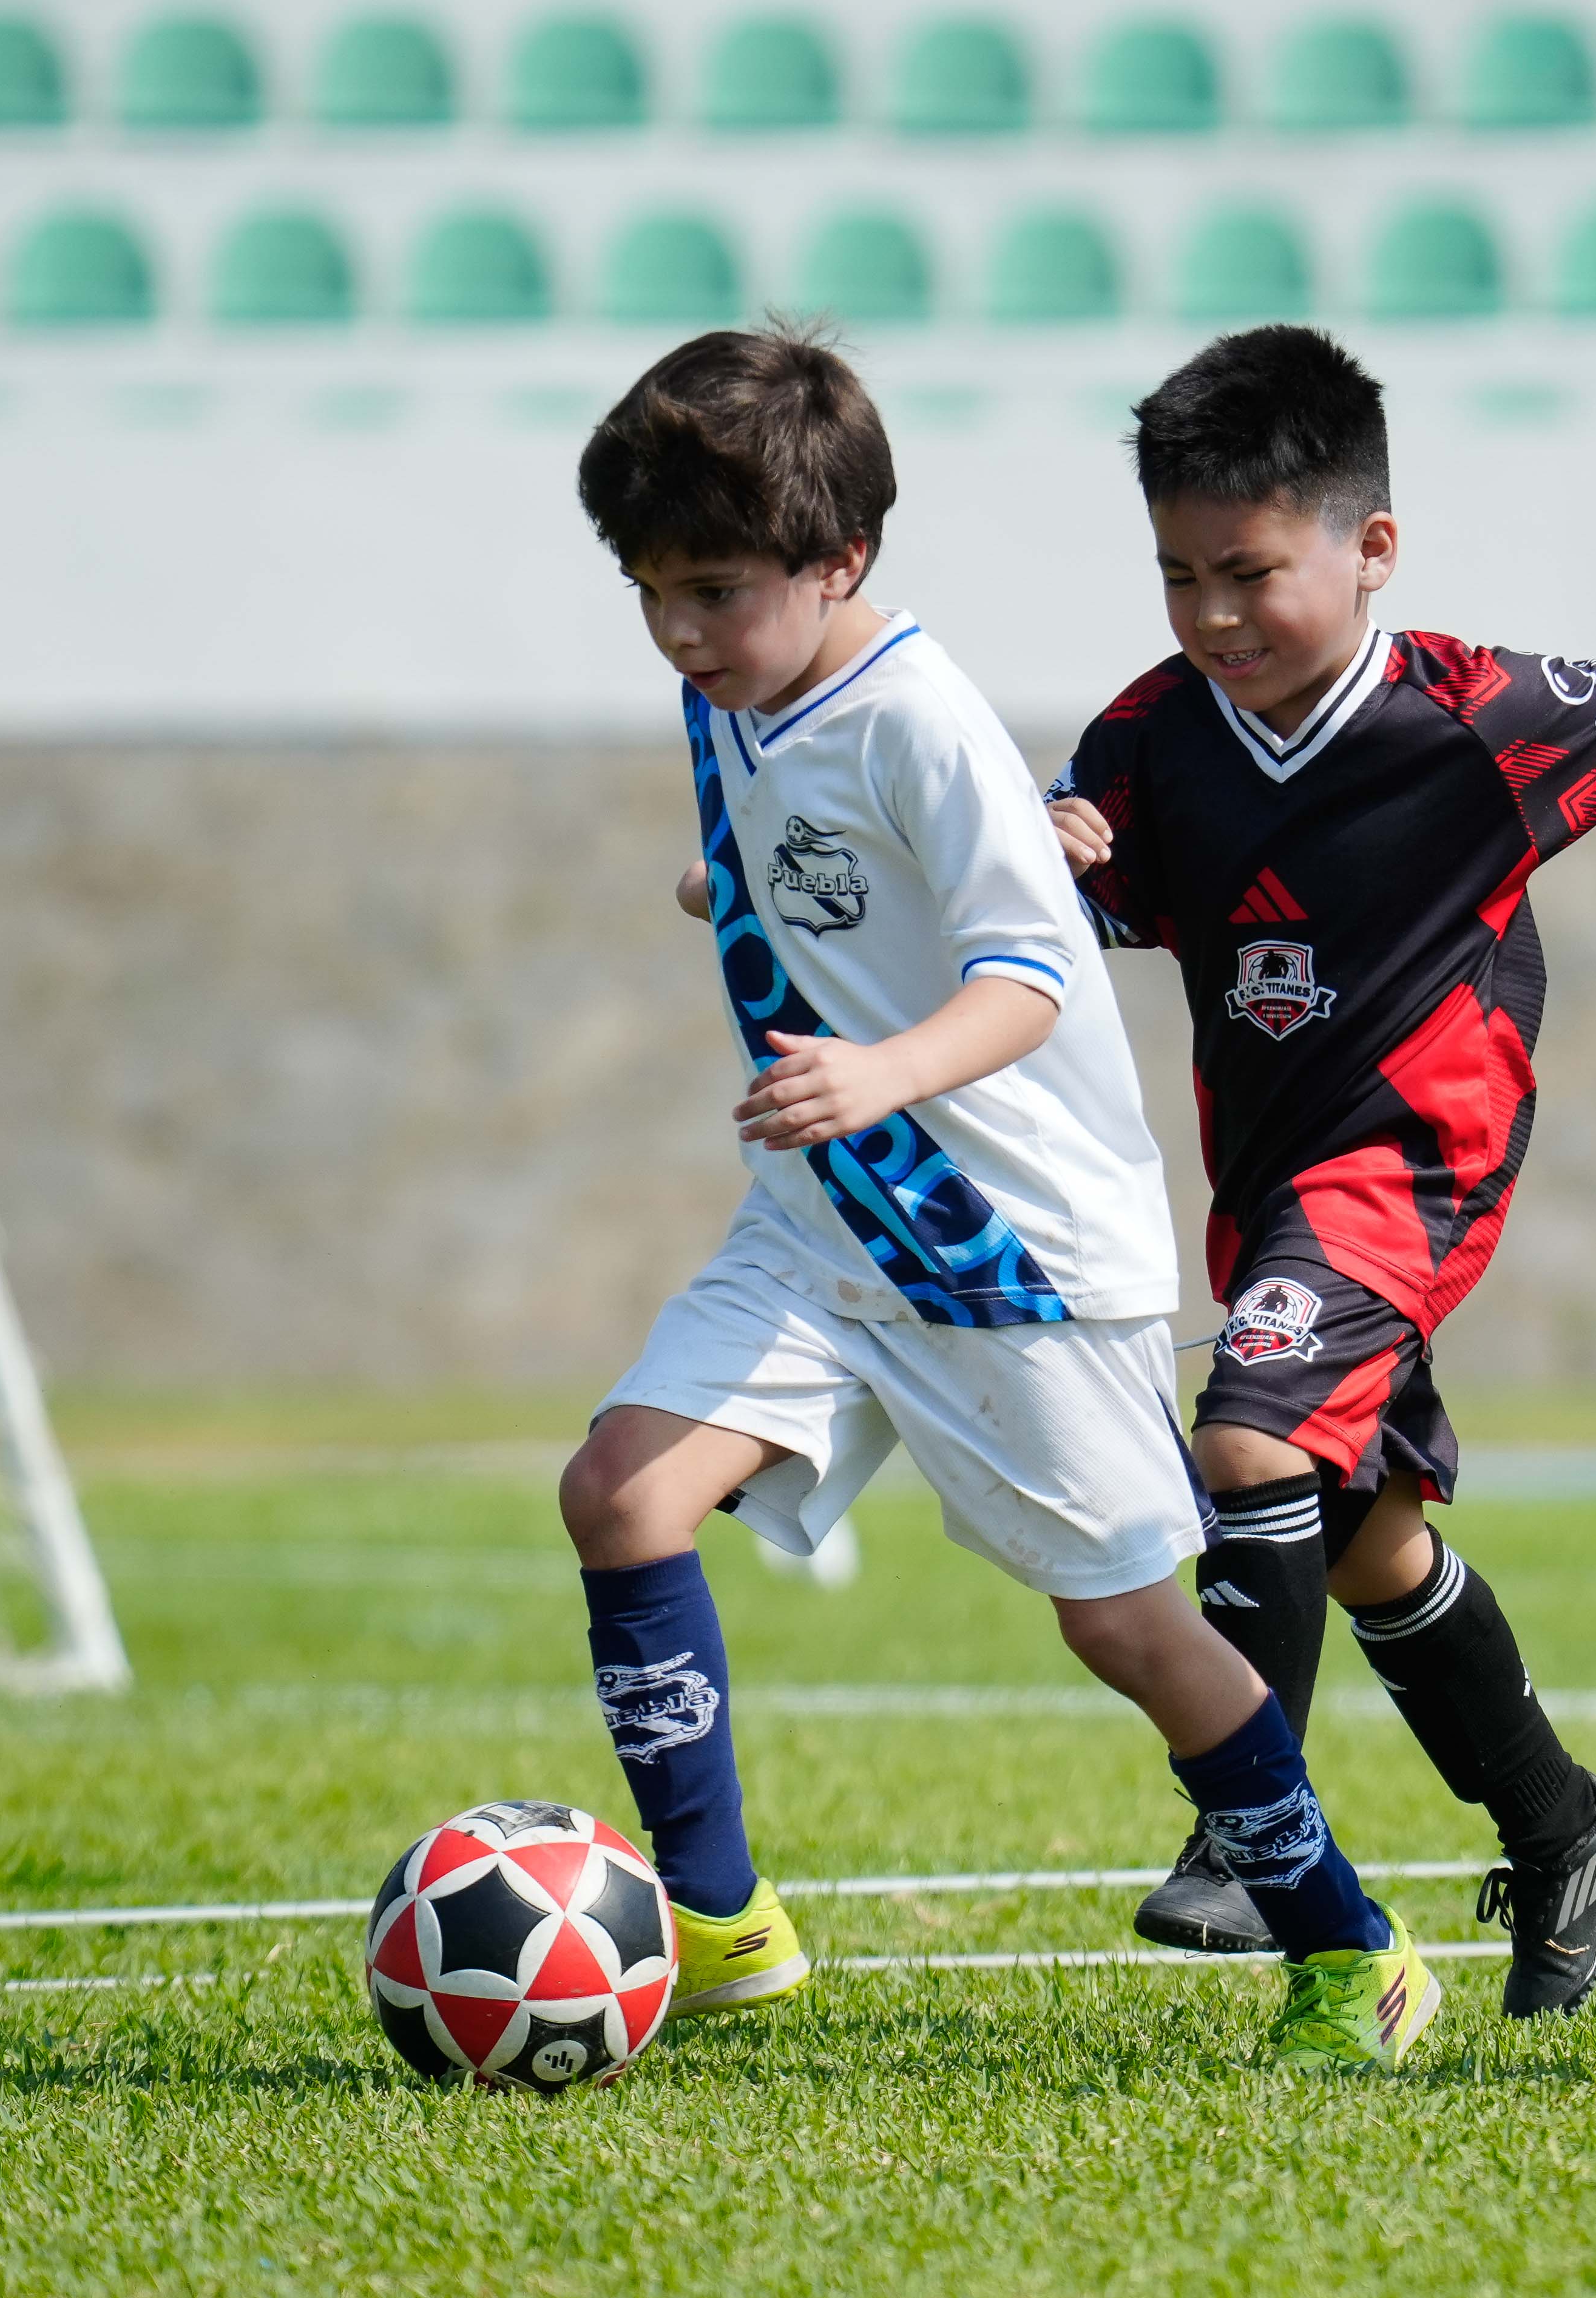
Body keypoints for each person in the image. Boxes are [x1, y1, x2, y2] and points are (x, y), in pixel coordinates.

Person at [560, 326, 1437, 2071]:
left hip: (1003, 1256)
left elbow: (1033, 972)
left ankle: (1353, 1950)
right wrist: (732, 888)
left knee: (1123, 1625)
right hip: (820, 1227)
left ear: (838, 564)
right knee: (619, 1497)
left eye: (711, 592)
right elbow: (796, 855)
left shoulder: (924, 722)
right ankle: (724, 1933)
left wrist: (882, 1069)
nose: (675, 629)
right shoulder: (736, 686)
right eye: (650, 591)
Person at [1047, 325, 1596, 2015]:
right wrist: (1029, 861)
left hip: (1415, 1161)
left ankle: (1237, 1831)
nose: (1209, 615)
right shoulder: (1152, 736)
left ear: (1373, 551)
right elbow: (1036, 909)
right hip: (1267, 1182)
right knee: (1359, 1535)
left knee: (1249, 1438)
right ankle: (1569, 1829)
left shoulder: (1476, 715)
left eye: (1249, 573)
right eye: (1177, 575)